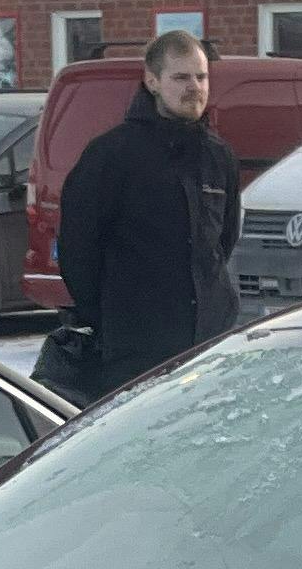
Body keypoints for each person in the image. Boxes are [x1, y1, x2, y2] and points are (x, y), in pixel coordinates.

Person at [55, 30, 238, 395]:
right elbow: (78, 249)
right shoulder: (111, 156)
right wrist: (111, 318)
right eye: (181, 77)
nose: (194, 87)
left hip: (208, 343)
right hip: (136, 352)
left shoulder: (218, 156)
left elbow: (224, 240)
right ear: (152, 81)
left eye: (201, 77)